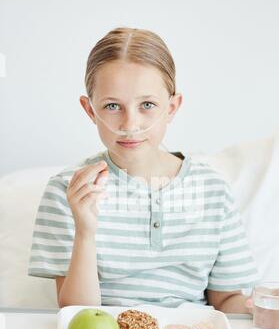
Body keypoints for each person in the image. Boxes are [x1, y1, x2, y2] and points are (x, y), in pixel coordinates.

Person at [28, 27, 259, 313]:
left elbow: (226, 300)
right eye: (112, 106)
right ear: (90, 111)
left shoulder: (212, 190)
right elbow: (77, 313)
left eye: (147, 104)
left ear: (172, 108)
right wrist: (85, 232)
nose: (130, 124)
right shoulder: (68, 190)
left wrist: (258, 310)